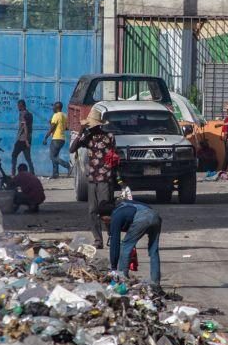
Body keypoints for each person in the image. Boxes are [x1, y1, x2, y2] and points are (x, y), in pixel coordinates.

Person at [70, 107, 118, 248]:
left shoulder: (109, 137)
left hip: (105, 178)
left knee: (106, 210)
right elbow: (72, 149)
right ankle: (98, 239)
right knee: (92, 211)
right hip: (92, 179)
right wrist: (80, 132)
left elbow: (114, 157)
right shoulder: (87, 137)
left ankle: (111, 235)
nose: (91, 128)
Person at [99, 199, 162, 285]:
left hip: (142, 218)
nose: (104, 222)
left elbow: (115, 243)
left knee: (125, 247)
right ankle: (156, 282)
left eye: (103, 219)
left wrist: (113, 268)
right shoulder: (124, 205)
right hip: (155, 216)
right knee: (153, 250)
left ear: (106, 214)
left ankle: (122, 279)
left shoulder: (116, 215)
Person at [42, 101, 72, 178]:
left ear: (57, 107)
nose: (53, 108)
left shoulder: (56, 115)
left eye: (54, 107)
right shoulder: (64, 115)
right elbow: (66, 128)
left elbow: (52, 128)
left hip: (56, 138)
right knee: (55, 156)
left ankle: (68, 165)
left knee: (52, 157)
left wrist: (46, 137)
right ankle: (55, 174)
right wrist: (52, 123)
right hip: (62, 139)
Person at [11, 99, 35, 175]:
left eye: (18, 106)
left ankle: (13, 173)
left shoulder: (22, 114)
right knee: (28, 158)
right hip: (28, 139)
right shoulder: (30, 114)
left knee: (14, 155)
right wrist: (28, 140)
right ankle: (32, 173)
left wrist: (26, 140)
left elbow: (25, 127)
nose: (18, 107)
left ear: (21, 106)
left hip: (22, 139)